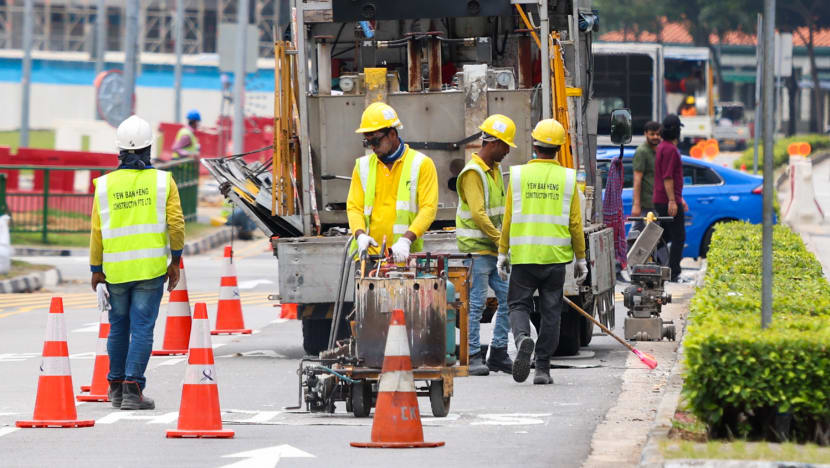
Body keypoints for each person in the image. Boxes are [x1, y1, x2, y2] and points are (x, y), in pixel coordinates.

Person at [90, 115, 185, 410]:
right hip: (150, 270)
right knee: (142, 328)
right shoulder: (162, 181)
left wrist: (96, 269)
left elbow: (96, 231)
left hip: (116, 271)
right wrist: (176, 261)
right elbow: (177, 225)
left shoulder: (104, 185)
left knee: (118, 327)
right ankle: (133, 389)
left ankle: (115, 387)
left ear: (119, 150)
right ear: (149, 149)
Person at [497, 119, 587, 385]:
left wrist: (503, 253)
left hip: (524, 256)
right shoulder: (568, 178)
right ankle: (543, 368)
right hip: (555, 259)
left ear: (534, 146)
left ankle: (523, 338)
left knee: (517, 304)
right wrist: (581, 258)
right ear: (559, 148)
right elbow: (575, 223)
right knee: (551, 313)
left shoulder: (518, 176)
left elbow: (508, 219)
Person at [455, 114, 515, 376]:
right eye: (506, 146)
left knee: (511, 298)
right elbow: (479, 214)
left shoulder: (494, 172)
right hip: (477, 250)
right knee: (476, 303)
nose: (508, 151)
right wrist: (501, 240)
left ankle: (499, 352)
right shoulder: (473, 172)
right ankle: (472, 355)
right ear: (494, 143)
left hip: (492, 250)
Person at [347, 102, 438, 263]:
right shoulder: (362, 167)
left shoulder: (421, 164)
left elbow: (428, 209)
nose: (373, 148)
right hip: (369, 258)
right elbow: (354, 207)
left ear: (392, 134)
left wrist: (406, 240)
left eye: (375, 141)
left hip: (405, 256)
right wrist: (360, 235)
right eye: (368, 142)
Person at [653, 114, 687, 282]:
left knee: (663, 236)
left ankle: (657, 266)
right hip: (667, 200)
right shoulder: (671, 150)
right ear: (676, 131)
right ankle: (673, 272)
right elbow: (668, 177)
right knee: (679, 236)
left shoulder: (662, 147)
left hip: (662, 198)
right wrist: (673, 200)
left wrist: (679, 199)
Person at [631, 121, 662, 220]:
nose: (655, 137)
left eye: (658, 134)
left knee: (651, 233)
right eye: (652, 134)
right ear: (645, 134)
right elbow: (637, 179)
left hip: (657, 202)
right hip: (646, 204)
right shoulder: (642, 151)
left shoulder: (659, 150)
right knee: (641, 232)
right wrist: (636, 204)